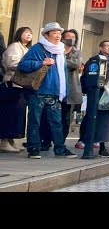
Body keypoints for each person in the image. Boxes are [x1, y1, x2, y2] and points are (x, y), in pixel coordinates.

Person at [18, 22, 75, 158]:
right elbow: (23, 65)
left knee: (56, 122)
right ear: (46, 35)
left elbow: (63, 74)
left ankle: (60, 149)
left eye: (59, 33)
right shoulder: (38, 48)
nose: (58, 36)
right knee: (35, 121)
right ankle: (33, 149)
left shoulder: (60, 50)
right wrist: (42, 62)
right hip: (38, 91)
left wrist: (64, 90)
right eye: (54, 33)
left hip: (55, 92)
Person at [0, 27, 32, 153]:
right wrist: (30, 66)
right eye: (26, 32)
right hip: (12, 83)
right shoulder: (14, 46)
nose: (29, 35)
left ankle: (11, 140)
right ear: (19, 34)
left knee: (17, 114)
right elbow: (11, 63)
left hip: (21, 85)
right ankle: (4, 140)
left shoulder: (26, 48)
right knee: (10, 112)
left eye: (30, 33)